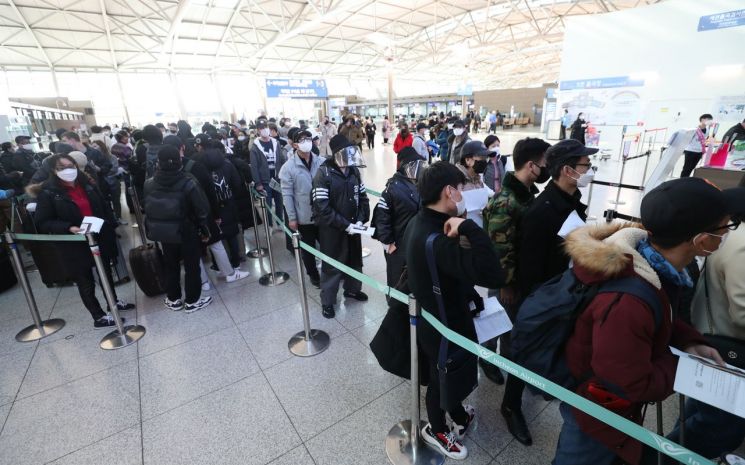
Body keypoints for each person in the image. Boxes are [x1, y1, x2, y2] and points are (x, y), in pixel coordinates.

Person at [553, 177, 738, 465]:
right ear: (701, 241)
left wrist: (689, 341)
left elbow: (659, 312)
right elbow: (630, 382)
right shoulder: (629, 300)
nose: (726, 234)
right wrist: (680, 367)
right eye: (725, 227)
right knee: (581, 457)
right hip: (595, 407)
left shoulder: (649, 261)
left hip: (608, 398)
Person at [402, 161, 503, 460]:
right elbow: (495, 275)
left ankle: (457, 413)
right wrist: (470, 226)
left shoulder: (420, 222)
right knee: (440, 377)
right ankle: (435, 429)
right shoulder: (441, 239)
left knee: (449, 374)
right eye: (460, 190)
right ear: (448, 191)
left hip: (436, 314)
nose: (463, 195)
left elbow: (442, 273)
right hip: (443, 324)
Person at [663, 181, 745, 463]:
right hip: (727, 343)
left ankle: (671, 452)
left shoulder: (729, 239)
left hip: (707, 337)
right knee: (718, 424)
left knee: (701, 413)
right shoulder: (742, 244)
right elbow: (742, 313)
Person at [481, 137, 551, 444]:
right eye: (545, 163)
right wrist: (507, 284)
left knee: (507, 331)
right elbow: (498, 250)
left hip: (522, 281)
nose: (548, 168)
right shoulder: (506, 200)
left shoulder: (526, 196)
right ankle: (509, 404)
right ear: (532, 166)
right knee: (508, 336)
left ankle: (499, 365)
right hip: (508, 283)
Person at [32, 154, 134, 328]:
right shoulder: (48, 192)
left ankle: (113, 302)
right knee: (85, 279)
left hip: (98, 235)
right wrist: (68, 227)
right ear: (53, 171)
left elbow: (102, 205)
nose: (68, 171)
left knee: (105, 273)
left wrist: (111, 224)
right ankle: (98, 315)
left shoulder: (87, 184)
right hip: (75, 242)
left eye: (70, 165)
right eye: (61, 168)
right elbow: (43, 222)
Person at [518, 139, 596, 296]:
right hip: (553, 298)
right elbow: (530, 271)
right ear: (567, 171)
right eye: (586, 165)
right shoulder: (540, 213)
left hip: (570, 288)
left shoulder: (572, 200)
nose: (590, 170)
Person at [144, 146, 213, 313]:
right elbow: (202, 210)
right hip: (186, 230)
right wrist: (205, 230)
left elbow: (145, 206)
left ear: (158, 163)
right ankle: (192, 301)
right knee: (191, 266)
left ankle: (173, 298)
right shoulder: (189, 182)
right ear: (180, 161)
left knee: (170, 265)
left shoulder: (149, 184)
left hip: (163, 232)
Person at [311, 134, 370, 319]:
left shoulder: (353, 171)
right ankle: (328, 301)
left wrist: (361, 219)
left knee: (354, 261)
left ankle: (352, 290)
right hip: (332, 229)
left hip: (353, 226)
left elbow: (363, 197)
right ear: (337, 153)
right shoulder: (323, 173)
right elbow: (322, 207)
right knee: (332, 265)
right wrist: (346, 225)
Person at [372, 147, 423, 289]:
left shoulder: (418, 185)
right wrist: (388, 244)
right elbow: (381, 218)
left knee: (412, 277)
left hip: (413, 241)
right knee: (396, 278)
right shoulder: (392, 188)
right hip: (397, 244)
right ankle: (394, 305)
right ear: (406, 167)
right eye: (415, 165)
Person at [279, 129, 323, 288]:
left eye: (309, 139)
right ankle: (313, 275)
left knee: (328, 246)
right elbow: (287, 194)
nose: (307, 142)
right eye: (302, 139)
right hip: (304, 215)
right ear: (295, 144)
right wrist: (291, 217)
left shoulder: (321, 162)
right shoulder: (288, 168)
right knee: (309, 249)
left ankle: (332, 273)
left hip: (324, 215)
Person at [249, 120, 286, 231]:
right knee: (268, 204)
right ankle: (269, 225)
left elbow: (281, 159)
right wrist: (258, 182)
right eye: (261, 128)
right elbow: (254, 166)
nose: (264, 130)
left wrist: (283, 176)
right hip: (264, 180)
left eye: (265, 127)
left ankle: (280, 223)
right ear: (258, 130)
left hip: (277, 178)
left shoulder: (276, 143)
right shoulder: (255, 146)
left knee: (279, 202)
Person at [455, 141, 494, 228]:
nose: (485, 161)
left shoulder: (478, 179)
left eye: (486, 158)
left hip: (479, 230)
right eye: (481, 157)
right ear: (468, 160)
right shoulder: (455, 181)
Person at [680, 113, 713, 178]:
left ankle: (686, 179)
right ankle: (682, 180)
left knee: (692, 167)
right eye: (708, 119)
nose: (710, 121)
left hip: (699, 151)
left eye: (710, 120)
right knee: (687, 168)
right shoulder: (694, 129)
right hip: (691, 151)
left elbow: (704, 139)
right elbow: (687, 140)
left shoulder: (708, 130)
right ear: (702, 120)